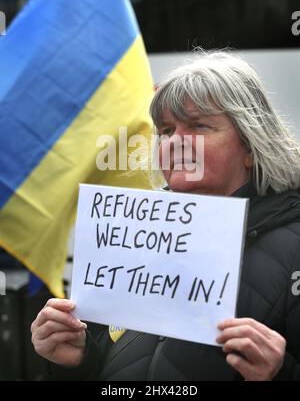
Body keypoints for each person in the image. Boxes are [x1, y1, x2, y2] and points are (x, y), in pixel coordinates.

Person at [31, 51, 300, 381]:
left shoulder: (293, 246)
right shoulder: (131, 233)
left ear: (251, 146)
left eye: (199, 126)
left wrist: (279, 373)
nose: (175, 143)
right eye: (166, 130)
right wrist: (74, 360)